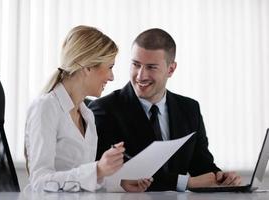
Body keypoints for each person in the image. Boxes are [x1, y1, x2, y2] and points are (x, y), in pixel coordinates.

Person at [88, 28, 242, 191]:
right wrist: (184, 183)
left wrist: (221, 177)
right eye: (136, 65)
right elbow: (109, 174)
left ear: (171, 69)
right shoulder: (105, 109)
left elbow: (201, 165)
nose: (141, 75)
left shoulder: (189, 109)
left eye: (151, 67)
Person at [24, 25, 152, 192]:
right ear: (88, 67)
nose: (112, 77)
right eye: (110, 67)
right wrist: (97, 169)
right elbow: (39, 182)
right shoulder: (46, 108)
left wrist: (120, 183)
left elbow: (81, 180)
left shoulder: (87, 115)